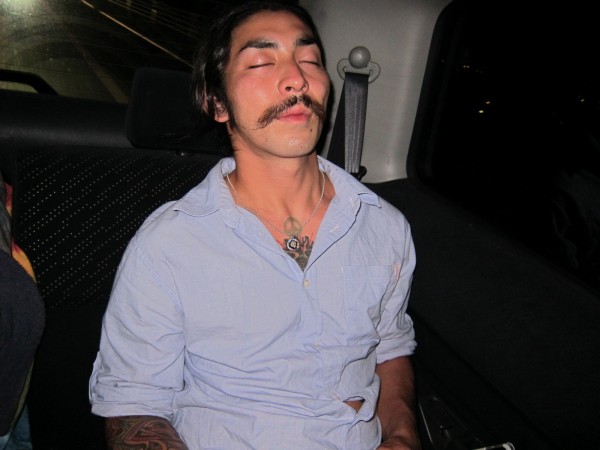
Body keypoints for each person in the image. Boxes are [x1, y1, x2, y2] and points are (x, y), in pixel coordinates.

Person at [89, 1, 420, 449]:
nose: (297, 78)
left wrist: (402, 435)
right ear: (217, 103)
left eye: (309, 60)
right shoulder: (168, 245)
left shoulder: (384, 226)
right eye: (262, 62)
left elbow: (389, 346)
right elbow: (135, 403)